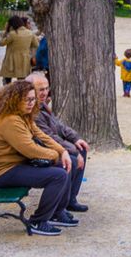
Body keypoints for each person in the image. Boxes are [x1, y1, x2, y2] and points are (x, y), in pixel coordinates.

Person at [0, 80, 81, 236]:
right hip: (2, 172)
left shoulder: (23, 116)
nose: (31, 103)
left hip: (16, 165)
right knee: (58, 175)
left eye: (33, 99)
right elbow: (30, 150)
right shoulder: (10, 120)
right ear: (14, 99)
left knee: (68, 164)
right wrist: (57, 156)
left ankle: (57, 212)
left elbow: (41, 136)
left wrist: (63, 152)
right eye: (26, 99)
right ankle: (38, 221)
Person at [27, 72, 89, 212]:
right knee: (73, 159)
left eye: (46, 88)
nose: (44, 92)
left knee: (81, 148)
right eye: (40, 89)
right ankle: (61, 205)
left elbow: (60, 126)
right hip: (41, 150)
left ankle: (70, 199)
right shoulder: (33, 111)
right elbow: (48, 137)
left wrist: (76, 138)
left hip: (50, 146)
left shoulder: (42, 105)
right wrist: (71, 150)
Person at [0, 15, 39, 84]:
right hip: (24, 61)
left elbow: (1, 43)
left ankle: (8, 94)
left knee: (7, 82)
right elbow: (36, 45)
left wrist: (6, 31)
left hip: (10, 61)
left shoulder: (12, 34)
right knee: (22, 83)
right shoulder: (30, 33)